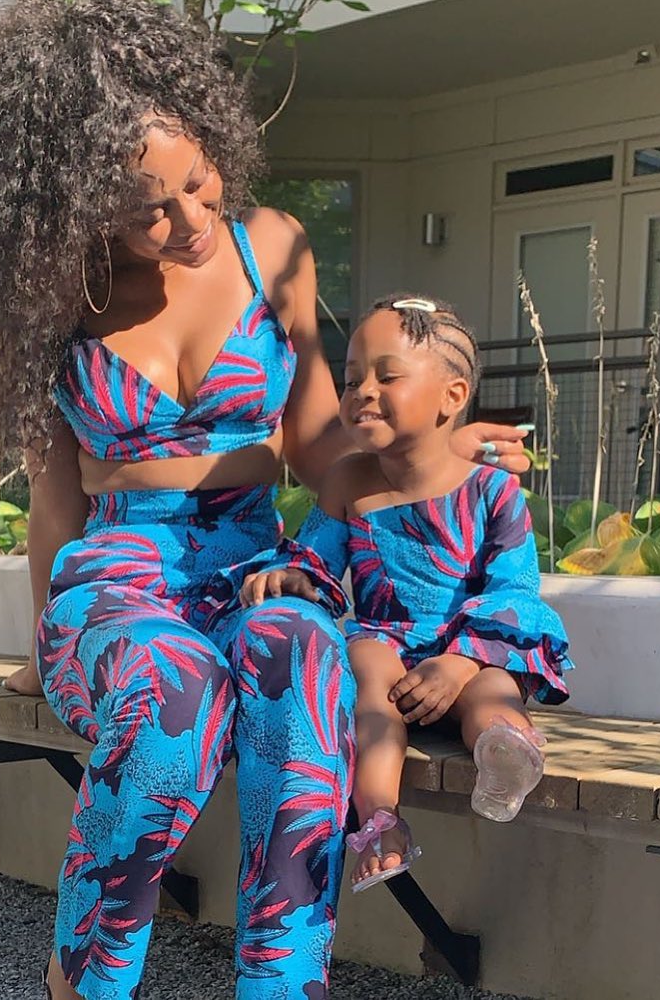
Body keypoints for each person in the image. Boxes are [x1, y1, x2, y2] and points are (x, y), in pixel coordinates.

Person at [0, 0, 530, 997]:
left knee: (305, 664)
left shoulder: (272, 248)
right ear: (78, 203)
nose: (192, 219)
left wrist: (423, 456)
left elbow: (321, 446)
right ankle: (84, 975)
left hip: (257, 563)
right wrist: (43, 649)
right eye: (150, 209)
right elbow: (56, 501)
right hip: (122, 574)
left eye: (198, 179)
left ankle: (282, 982)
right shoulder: (53, 300)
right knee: (176, 698)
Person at [242, 296, 572, 893]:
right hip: (388, 652)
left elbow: (514, 588)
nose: (363, 391)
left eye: (387, 376)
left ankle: (504, 753)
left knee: (495, 690)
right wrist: (297, 578)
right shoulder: (348, 481)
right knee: (366, 665)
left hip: (467, 649)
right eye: (351, 380)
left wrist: (461, 661)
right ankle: (380, 822)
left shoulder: (492, 491)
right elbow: (318, 560)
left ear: (452, 395)